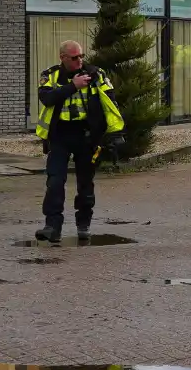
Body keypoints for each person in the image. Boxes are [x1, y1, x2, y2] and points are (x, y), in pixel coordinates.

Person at [34, 40, 125, 243]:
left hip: (86, 136)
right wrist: (72, 86)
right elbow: (47, 98)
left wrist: (114, 134)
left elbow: (111, 102)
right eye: (74, 58)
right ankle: (52, 226)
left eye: (81, 56)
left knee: (85, 183)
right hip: (60, 135)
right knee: (55, 181)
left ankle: (83, 224)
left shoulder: (96, 75)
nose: (80, 61)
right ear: (63, 58)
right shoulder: (50, 75)